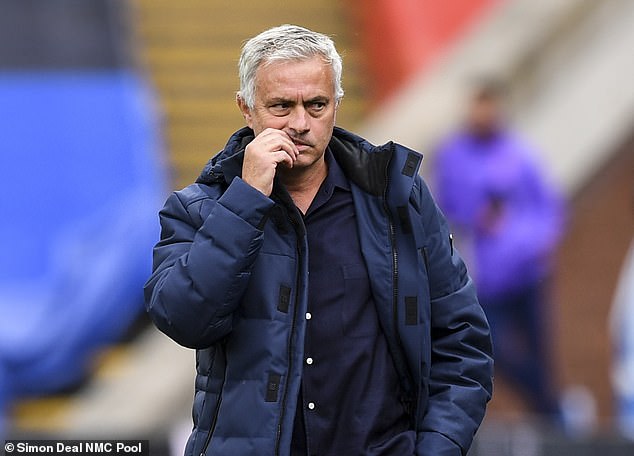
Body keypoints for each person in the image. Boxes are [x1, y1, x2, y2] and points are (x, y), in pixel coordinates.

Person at [145, 25, 493, 456]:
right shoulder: (200, 207)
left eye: (316, 105)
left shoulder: (397, 200)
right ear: (246, 109)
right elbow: (184, 319)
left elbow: (462, 341)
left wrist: (437, 448)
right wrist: (246, 201)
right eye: (281, 106)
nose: (300, 124)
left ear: (336, 104)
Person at [434, 80, 564, 419]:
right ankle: (550, 406)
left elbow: (547, 205)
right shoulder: (453, 156)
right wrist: (476, 215)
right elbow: (446, 205)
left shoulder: (520, 153)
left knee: (541, 353)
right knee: (490, 349)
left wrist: (542, 241)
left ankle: (551, 418)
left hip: (529, 272)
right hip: (488, 279)